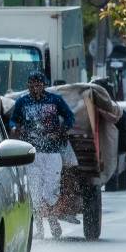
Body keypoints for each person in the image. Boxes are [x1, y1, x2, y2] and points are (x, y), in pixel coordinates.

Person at [9, 71, 75, 238]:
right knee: (34, 191)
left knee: (51, 189)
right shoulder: (22, 102)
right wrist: (16, 128)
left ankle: (52, 219)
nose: (35, 87)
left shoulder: (55, 100)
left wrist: (60, 131)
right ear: (28, 85)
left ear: (44, 85)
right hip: (31, 154)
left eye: (38, 84)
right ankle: (38, 227)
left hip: (52, 152)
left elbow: (69, 118)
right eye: (32, 84)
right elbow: (13, 119)